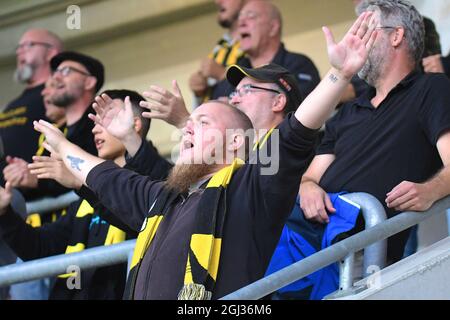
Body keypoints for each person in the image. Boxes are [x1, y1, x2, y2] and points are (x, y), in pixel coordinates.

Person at [19, 12, 377, 300]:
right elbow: (105, 177)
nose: (186, 127)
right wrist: (66, 147)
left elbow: (296, 133)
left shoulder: (251, 185)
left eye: (201, 121)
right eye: (190, 122)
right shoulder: (164, 198)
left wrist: (339, 73)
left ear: (237, 142)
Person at [267, 0, 450, 300]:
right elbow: (308, 176)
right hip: (301, 237)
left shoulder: (432, 88)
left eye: (367, 30)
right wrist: (308, 187)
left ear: (396, 36)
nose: (357, 40)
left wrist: (430, 190)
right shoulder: (350, 110)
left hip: (355, 257)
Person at [0, 90, 170, 300]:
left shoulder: (157, 183)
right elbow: (40, 248)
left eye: (107, 118)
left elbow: (156, 205)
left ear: (135, 125)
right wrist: (4, 212)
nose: (96, 129)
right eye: (96, 122)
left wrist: (82, 185)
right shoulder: (86, 200)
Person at [210, 0, 320, 102]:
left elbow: (304, 109)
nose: (241, 23)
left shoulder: (299, 64)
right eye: (240, 18)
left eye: (251, 16)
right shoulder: (236, 70)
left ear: (273, 28)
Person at [0, 29, 63, 185]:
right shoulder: (11, 104)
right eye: (18, 48)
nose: (19, 52)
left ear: (50, 53)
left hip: (47, 188)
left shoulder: (59, 96)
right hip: (13, 192)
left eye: (28, 45)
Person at [189, 0, 247, 105]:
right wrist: (199, 90)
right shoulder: (221, 47)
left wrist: (222, 74)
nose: (217, 2)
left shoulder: (257, 45)